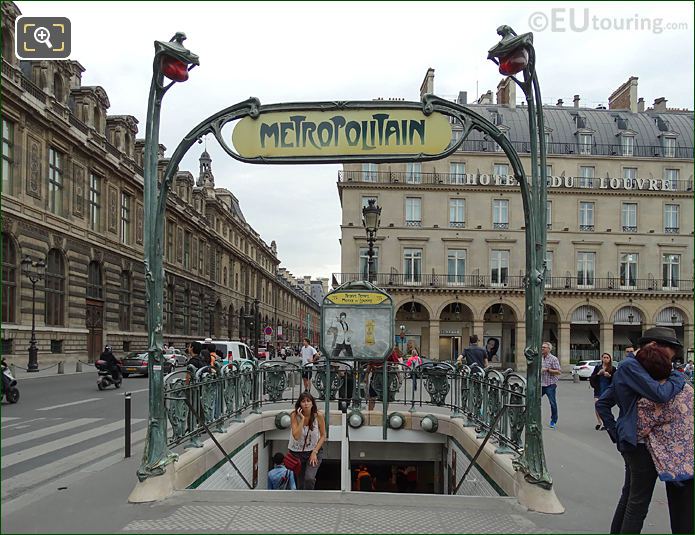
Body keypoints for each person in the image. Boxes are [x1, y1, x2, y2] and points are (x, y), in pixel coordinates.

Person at [596, 327, 686, 534]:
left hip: (634, 442)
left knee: (630, 497)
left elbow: (603, 403)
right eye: (669, 352)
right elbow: (660, 394)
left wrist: (617, 431)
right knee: (637, 504)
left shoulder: (632, 367)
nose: (670, 360)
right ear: (654, 345)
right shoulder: (631, 366)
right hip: (641, 443)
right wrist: (677, 378)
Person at [634, 345, 693, 534]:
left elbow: (639, 430)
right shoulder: (686, 388)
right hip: (691, 457)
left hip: (675, 467)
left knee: (681, 518)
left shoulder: (651, 400)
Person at [288, 392, 326, 490]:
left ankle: (309, 497)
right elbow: (296, 436)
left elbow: (323, 435)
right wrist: (302, 419)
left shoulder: (319, 416)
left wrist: (315, 451)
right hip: (297, 453)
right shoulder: (294, 415)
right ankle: (301, 503)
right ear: (299, 404)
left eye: (308, 401)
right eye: (303, 401)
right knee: (300, 482)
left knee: (309, 478)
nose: (306, 403)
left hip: (313, 451)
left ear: (312, 403)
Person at [589, 352, 616, 430]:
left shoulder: (613, 368)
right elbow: (592, 378)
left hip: (608, 390)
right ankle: (599, 422)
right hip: (598, 389)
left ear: (610, 359)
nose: (606, 359)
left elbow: (616, 380)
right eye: (604, 357)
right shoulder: (598, 367)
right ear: (602, 358)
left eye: (607, 358)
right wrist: (598, 374)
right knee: (597, 405)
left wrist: (609, 376)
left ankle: (605, 423)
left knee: (604, 406)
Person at [540, 342, 561, 429]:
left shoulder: (553, 359)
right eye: (542, 347)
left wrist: (547, 370)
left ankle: (553, 420)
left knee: (552, 403)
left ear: (549, 349)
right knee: (533, 401)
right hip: (540, 383)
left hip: (550, 384)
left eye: (544, 347)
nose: (542, 348)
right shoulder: (539, 358)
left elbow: (558, 371)